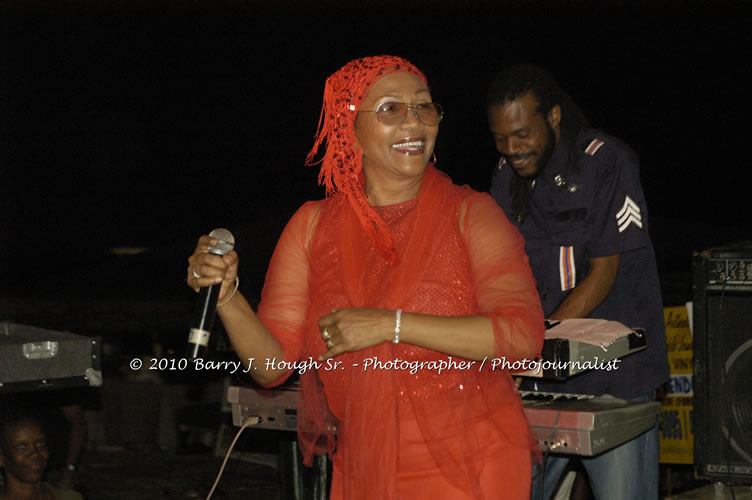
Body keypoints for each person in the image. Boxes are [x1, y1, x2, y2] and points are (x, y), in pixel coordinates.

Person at [187, 55, 545, 499]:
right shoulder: (312, 227)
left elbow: (522, 337)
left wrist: (388, 324)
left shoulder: (471, 214)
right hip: (363, 465)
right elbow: (272, 367)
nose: (414, 122)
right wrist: (226, 297)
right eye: (392, 109)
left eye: (425, 107)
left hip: (476, 461)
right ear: (348, 126)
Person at [487, 64, 669, 499]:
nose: (512, 148)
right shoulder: (504, 176)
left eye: (522, 134)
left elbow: (603, 273)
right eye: (500, 138)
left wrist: (533, 344)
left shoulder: (608, 162)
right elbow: (500, 275)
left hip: (613, 380)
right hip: (538, 380)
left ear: (552, 118)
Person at [0, 411, 83, 500]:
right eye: (22, 447)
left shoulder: (69, 497)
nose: (35, 453)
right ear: (2, 457)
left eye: (41, 444)